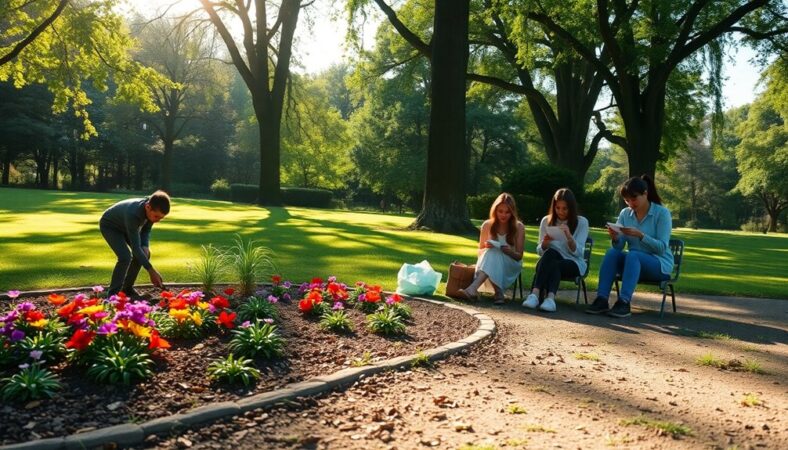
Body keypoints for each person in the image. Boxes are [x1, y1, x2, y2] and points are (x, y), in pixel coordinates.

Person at [586, 175, 673, 318]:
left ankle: (624, 302)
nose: (631, 203)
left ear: (645, 194)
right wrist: (615, 238)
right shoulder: (625, 214)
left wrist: (641, 236)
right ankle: (601, 299)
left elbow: (662, 248)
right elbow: (619, 247)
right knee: (612, 253)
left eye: (634, 199)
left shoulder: (662, 213)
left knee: (633, 255)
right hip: (633, 263)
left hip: (659, 264)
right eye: (627, 200)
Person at [522, 188, 588, 312]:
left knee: (553, 262)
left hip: (573, 262)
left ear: (571, 208)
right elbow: (540, 251)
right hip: (550, 260)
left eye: (565, 208)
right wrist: (545, 244)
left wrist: (569, 237)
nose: (561, 212)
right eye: (558, 208)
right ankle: (545, 298)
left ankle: (537, 294)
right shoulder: (546, 221)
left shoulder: (582, 222)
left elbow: (579, 252)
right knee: (551, 254)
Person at [100, 190, 170, 297]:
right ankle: (112, 294)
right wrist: (151, 271)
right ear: (148, 207)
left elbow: (146, 230)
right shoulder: (133, 214)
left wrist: (145, 246)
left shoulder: (151, 210)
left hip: (127, 227)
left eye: (161, 218)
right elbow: (136, 248)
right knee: (125, 257)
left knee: (144, 253)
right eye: (156, 217)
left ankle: (127, 289)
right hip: (110, 226)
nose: (157, 220)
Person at [458, 193, 525, 304]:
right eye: (500, 211)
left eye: (507, 212)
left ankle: (473, 289)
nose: (503, 215)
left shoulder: (519, 227)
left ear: (512, 212)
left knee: (494, 253)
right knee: (492, 252)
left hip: (510, 263)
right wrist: (486, 247)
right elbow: (479, 252)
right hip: (488, 262)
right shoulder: (487, 225)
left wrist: (509, 252)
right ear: (495, 211)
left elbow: (519, 256)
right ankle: (498, 293)